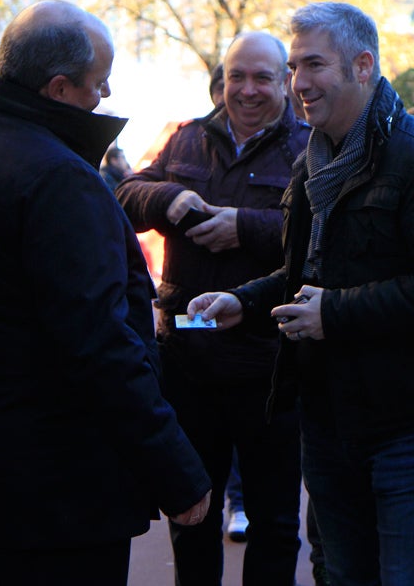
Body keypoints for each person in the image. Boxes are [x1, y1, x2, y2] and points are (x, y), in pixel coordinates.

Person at [0, 0, 211, 585]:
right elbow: (98, 344)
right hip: (60, 484)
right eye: (97, 84)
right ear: (58, 88)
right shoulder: (57, 176)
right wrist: (176, 469)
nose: (104, 96)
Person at [190, 1, 414, 586]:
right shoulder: (314, 162)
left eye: (313, 65)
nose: (298, 82)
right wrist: (243, 302)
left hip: (411, 430)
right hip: (328, 424)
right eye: (295, 65)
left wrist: (337, 314)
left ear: (362, 65)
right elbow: (309, 274)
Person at [116, 31, 308, 585]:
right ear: (221, 81)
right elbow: (127, 194)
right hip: (189, 359)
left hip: (269, 365)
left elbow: (325, 231)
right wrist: (167, 198)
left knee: (274, 522)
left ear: (285, 81)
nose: (246, 91)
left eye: (262, 78)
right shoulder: (186, 140)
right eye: (235, 78)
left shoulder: (311, 147)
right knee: (191, 513)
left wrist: (246, 227)